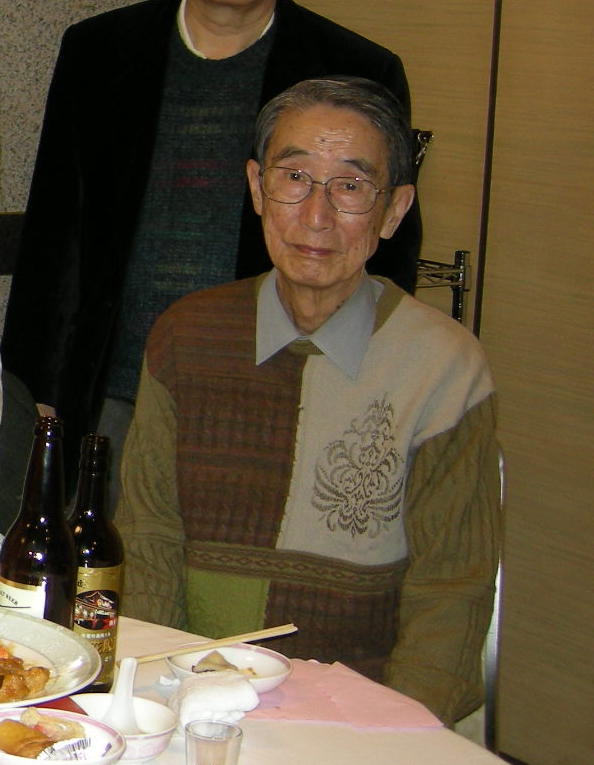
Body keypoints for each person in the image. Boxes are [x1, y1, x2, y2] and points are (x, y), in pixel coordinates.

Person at [4, 0, 419, 495]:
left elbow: (387, 258)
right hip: (115, 398)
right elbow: (57, 240)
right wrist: (37, 398)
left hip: (282, 394)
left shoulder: (355, 72)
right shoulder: (99, 53)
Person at [122, 78, 497, 725]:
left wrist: (391, 735)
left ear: (393, 210)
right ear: (256, 187)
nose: (316, 215)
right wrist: (163, 700)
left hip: (367, 720)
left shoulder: (444, 367)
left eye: (350, 186)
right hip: (192, 706)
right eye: (294, 177)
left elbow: (451, 593)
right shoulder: (185, 338)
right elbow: (148, 542)